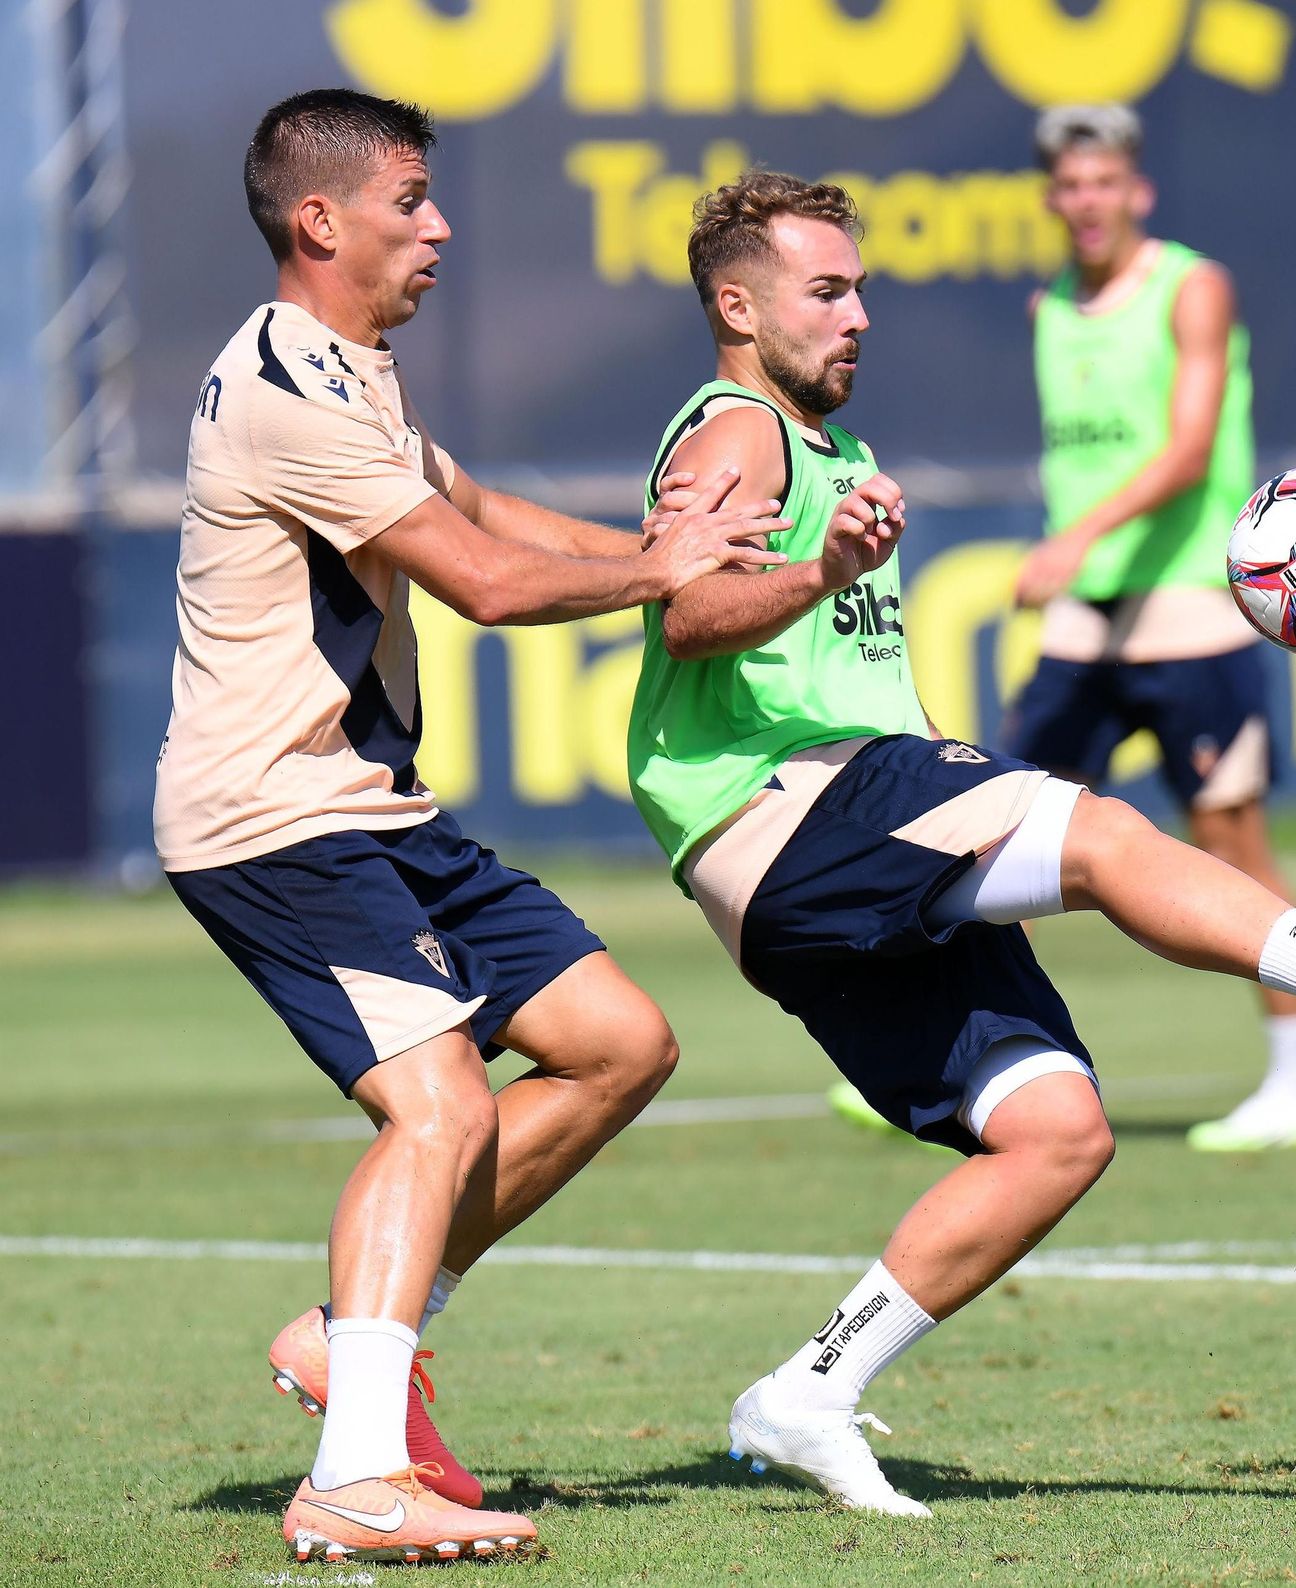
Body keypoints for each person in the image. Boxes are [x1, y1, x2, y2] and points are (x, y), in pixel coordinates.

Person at [625, 169, 1296, 1517]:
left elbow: (853, 684)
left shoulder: (834, 453)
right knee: (1099, 832)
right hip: (777, 808)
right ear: (737, 308)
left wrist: (942, 776)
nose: (859, 315)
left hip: (826, 840)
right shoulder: (740, 432)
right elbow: (684, 612)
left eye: (861, 288)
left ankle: (807, 1392)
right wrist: (820, 575)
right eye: (827, 291)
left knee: (1055, 1131)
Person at [155, 89, 785, 1565]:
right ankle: (355, 1475)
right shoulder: (282, 386)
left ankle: (350, 1335)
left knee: (618, 1043)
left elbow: (482, 507)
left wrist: (670, 550)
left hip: (370, 806)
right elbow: (485, 584)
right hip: (273, 818)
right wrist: (664, 576)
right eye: (410, 202)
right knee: (439, 1105)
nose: (440, 227)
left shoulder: (350, 370)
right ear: (322, 221)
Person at [1003, 102, 1296, 1152]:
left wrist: (1074, 536)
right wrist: (1075, 554)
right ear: (1051, 199)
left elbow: (1189, 450)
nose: (1087, 200)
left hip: (1190, 608)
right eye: (1070, 185)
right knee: (992, 834)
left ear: (1136, 190)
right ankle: (959, 1061)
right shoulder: (1051, 307)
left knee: (1228, 843)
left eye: (1104, 181)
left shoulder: (1190, 287)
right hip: (1085, 621)